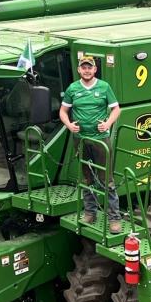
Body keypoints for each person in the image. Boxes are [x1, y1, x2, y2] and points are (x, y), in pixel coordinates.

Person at [59, 55, 122, 233]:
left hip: (100, 140)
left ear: (95, 69)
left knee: (106, 180)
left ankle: (114, 219)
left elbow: (116, 108)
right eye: (83, 67)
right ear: (79, 70)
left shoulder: (104, 87)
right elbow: (63, 111)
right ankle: (90, 212)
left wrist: (108, 124)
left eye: (90, 67)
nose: (86, 70)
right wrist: (69, 125)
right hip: (81, 140)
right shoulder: (73, 88)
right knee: (87, 178)